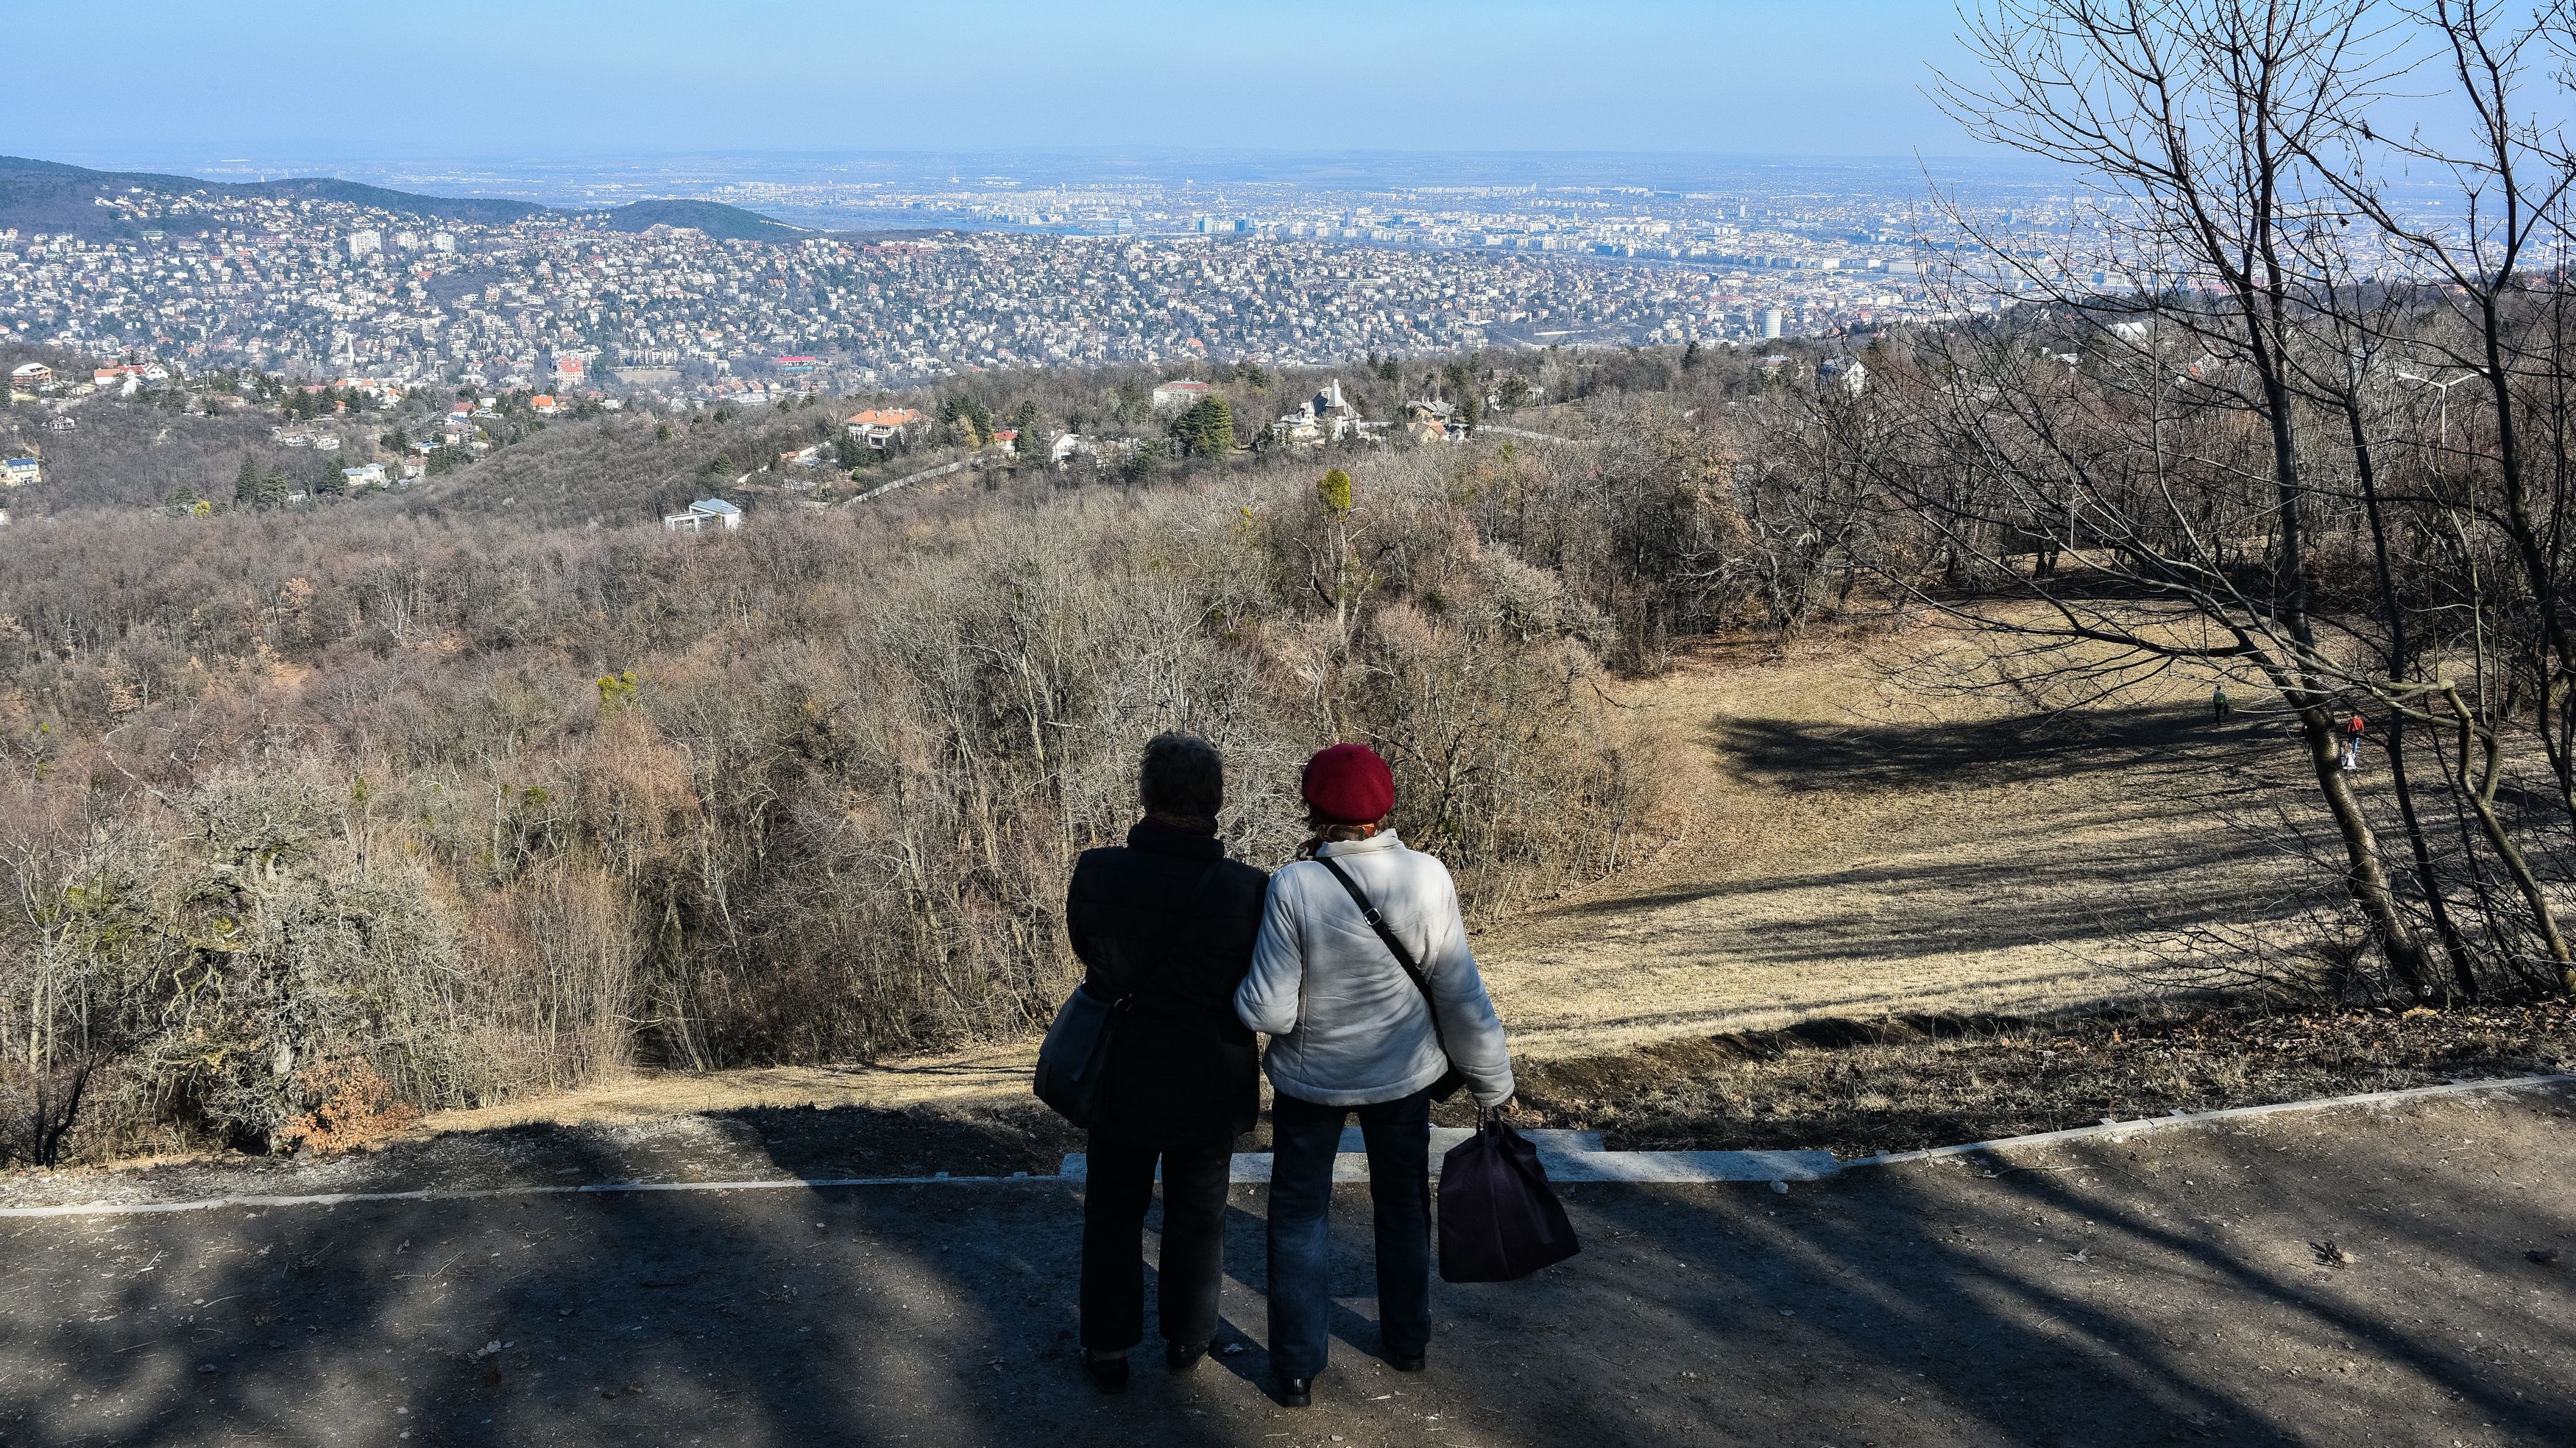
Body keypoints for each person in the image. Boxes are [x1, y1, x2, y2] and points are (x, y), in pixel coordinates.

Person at [1235, 742, 1515, 1408]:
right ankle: (1408, 1342)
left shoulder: (1293, 885)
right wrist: (1493, 1082)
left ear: (1314, 811)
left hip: (1311, 1083)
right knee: (1402, 1207)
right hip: (1402, 1079)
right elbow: (1459, 992)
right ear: (1383, 810)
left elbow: (1268, 1008)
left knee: (1299, 1217)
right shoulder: (1428, 876)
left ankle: (1297, 1371)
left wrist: (1241, 998)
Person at [1064, 732, 1270, 1394]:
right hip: (1210, 1077)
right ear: (1214, 802)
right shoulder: (1248, 891)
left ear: (1146, 796)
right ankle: (1189, 1336)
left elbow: (1086, 951)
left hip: (1119, 1075)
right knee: (1198, 1213)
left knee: (1113, 1212)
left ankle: (1106, 1348)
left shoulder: (1097, 872)